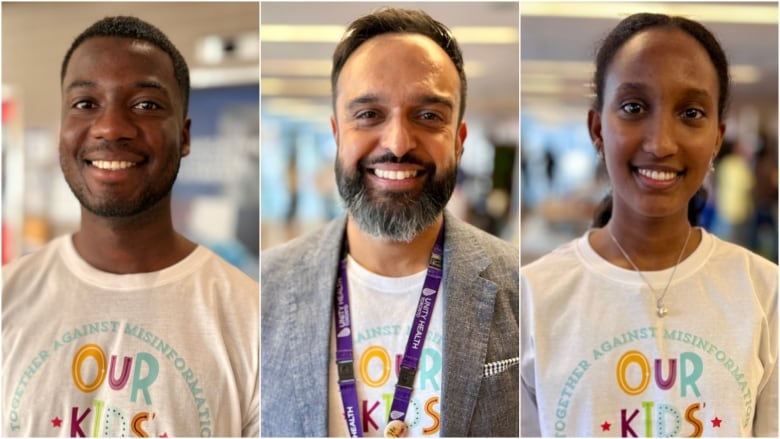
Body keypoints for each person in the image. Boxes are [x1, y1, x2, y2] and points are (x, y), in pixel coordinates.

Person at [261, 8, 519, 437]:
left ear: (459, 140)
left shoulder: (520, 290)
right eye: (368, 115)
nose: (398, 143)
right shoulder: (264, 292)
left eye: (429, 115)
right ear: (337, 133)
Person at [521, 12, 778, 437]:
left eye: (691, 112)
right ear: (597, 128)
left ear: (717, 137)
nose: (660, 142)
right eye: (633, 107)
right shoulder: (531, 299)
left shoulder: (766, 294)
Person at [2, 16, 258, 437]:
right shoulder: (8, 298)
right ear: (61, 129)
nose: (110, 128)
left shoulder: (248, 320)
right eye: (85, 104)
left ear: (185, 135)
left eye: (146, 105)